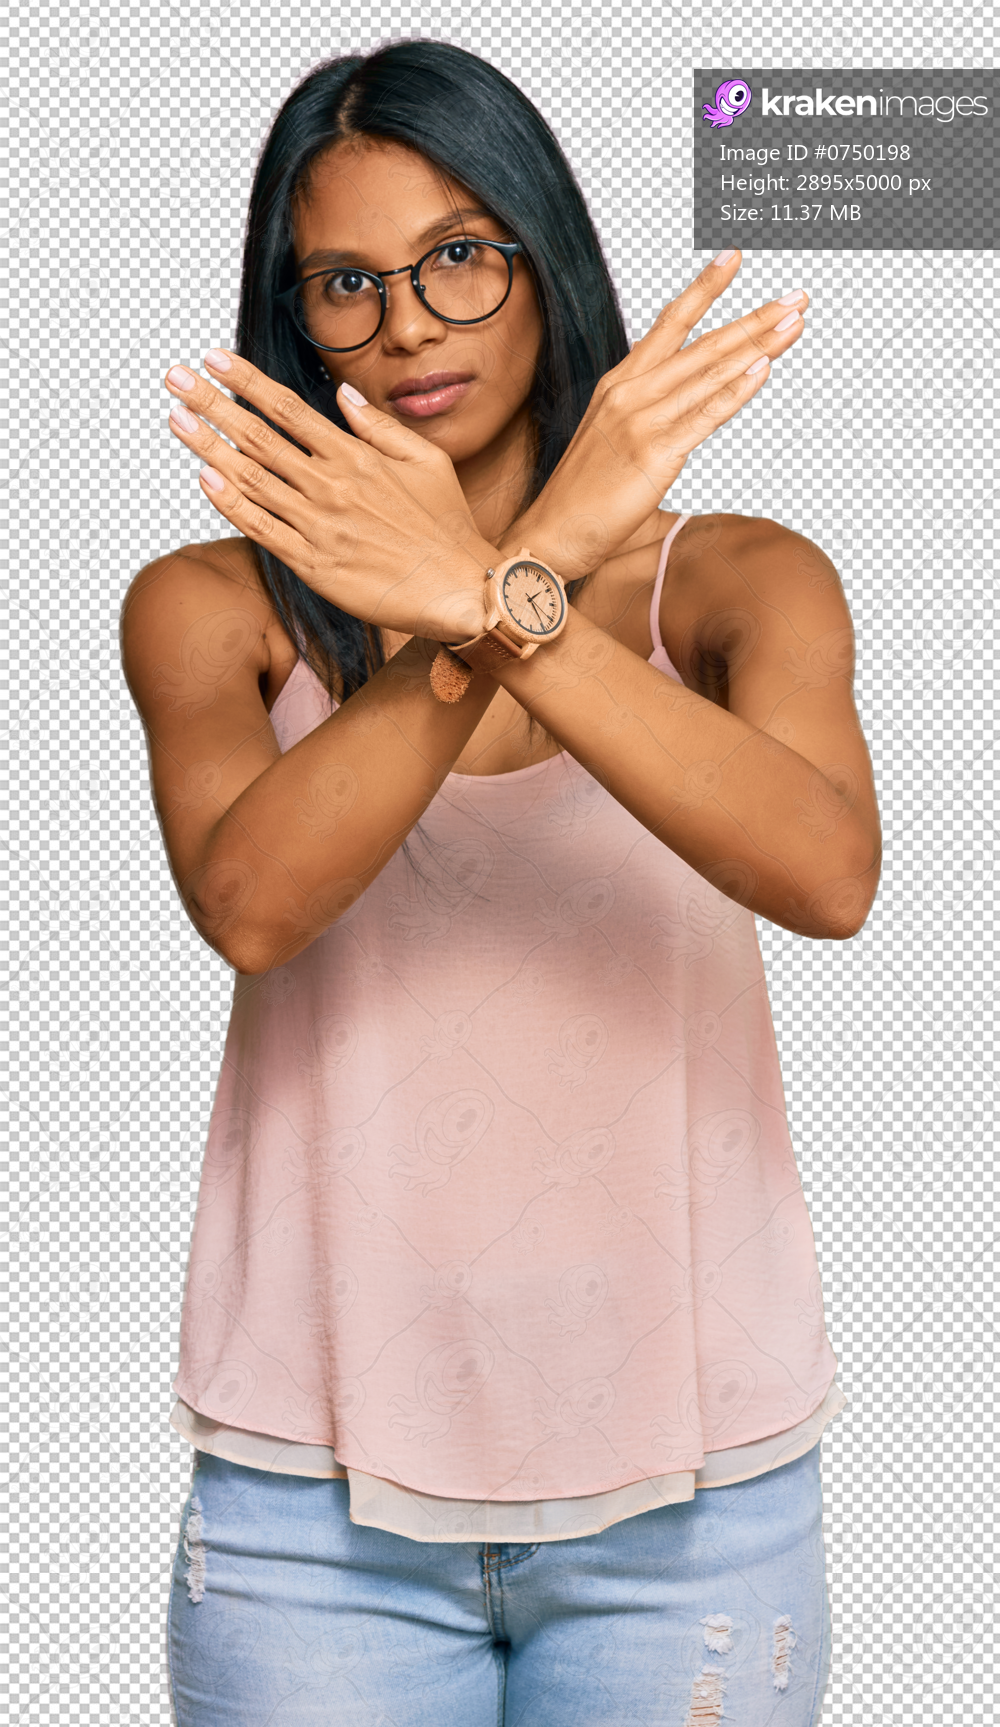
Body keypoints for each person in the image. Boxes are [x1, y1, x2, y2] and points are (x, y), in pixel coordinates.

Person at [120, 39, 881, 1727]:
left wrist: (508, 584)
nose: (407, 329)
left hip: (696, 1507)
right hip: (308, 1512)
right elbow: (253, 901)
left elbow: (830, 875)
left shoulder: (735, 582)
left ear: (546, 257)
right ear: (290, 310)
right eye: (346, 282)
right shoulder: (207, 606)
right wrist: (523, 571)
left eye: (462, 257)